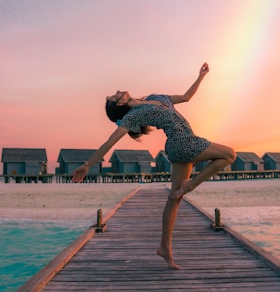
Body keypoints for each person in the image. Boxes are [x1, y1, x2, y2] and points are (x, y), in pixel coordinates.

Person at [72, 63, 236, 269]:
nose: (117, 92)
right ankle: (190, 185)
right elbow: (109, 143)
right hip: (183, 143)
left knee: (174, 198)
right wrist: (87, 165)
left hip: (180, 145)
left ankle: (164, 247)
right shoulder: (133, 116)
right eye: (115, 97)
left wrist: (201, 76)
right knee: (229, 154)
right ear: (120, 104)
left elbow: (186, 97)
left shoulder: (157, 97)